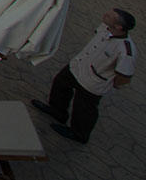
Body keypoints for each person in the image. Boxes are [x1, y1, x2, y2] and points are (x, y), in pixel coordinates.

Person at [33, 10, 135, 143]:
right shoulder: (105, 27)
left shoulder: (125, 50)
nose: (105, 15)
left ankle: (79, 134)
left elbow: (124, 78)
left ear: (118, 27)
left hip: (93, 83)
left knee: (84, 109)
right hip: (78, 66)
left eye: (109, 16)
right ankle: (57, 111)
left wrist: (109, 83)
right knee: (60, 85)